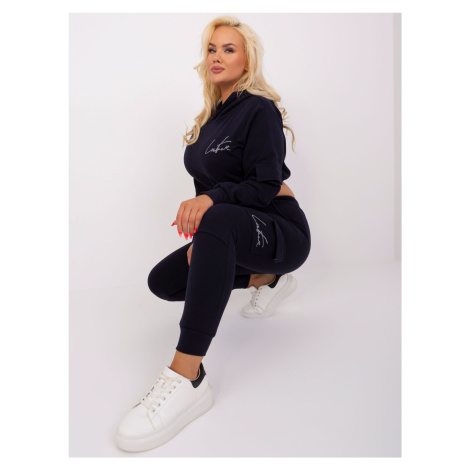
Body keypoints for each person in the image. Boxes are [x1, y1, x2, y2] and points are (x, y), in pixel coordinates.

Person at [116, 15, 311, 453]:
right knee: (164, 281)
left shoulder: (258, 108)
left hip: (281, 229)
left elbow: (265, 185)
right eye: (211, 49)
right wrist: (206, 236)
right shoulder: (208, 120)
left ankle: (187, 375)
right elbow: (210, 191)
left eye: (229, 49)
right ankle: (266, 279)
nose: (217, 56)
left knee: (218, 219)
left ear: (247, 60)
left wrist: (212, 208)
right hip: (234, 228)